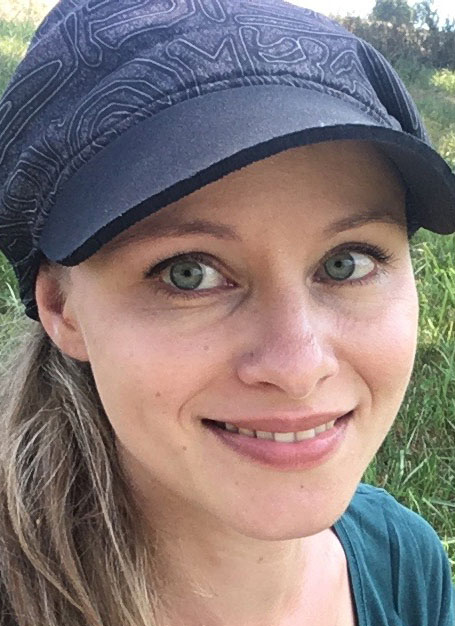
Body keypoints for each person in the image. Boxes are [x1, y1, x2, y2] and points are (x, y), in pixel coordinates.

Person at [0, 0, 454, 625]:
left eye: (347, 262)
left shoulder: (402, 564)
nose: (298, 368)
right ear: (61, 307)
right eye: (188, 273)